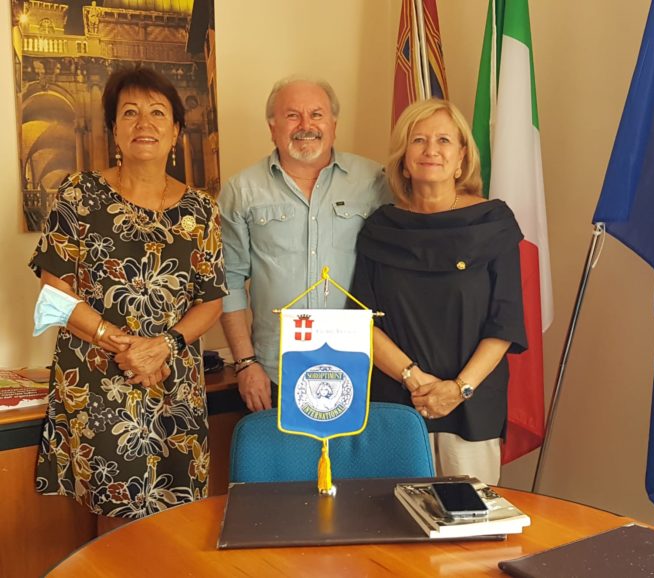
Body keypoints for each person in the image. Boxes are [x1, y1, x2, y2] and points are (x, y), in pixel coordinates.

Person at [29, 66, 227, 533]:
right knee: (117, 526)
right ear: (114, 129)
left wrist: (163, 348)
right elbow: (55, 294)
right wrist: (130, 349)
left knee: (180, 520)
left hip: (175, 381)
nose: (145, 123)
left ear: (176, 131)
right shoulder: (78, 194)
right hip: (100, 381)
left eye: (158, 113)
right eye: (131, 112)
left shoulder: (201, 208)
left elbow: (211, 300)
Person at [351, 99, 527, 485]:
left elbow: (505, 323)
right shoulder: (381, 228)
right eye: (419, 140)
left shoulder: (492, 222)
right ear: (403, 157)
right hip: (398, 404)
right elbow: (362, 323)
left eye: (445, 140)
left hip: (471, 406)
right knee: (394, 530)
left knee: (471, 532)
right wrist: (414, 379)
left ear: (462, 157)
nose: (432, 150)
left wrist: (457, 389)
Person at [218, 75, 391, 412]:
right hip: (275, 370)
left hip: (359, 364)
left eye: (317, 114)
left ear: (334, 124)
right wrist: (244, 363)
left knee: (352, 466)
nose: (306, 125)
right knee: (286, 465)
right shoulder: (242, 190)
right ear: (272, 126)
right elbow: (230, 281)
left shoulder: (374, 182)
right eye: (292, 115)